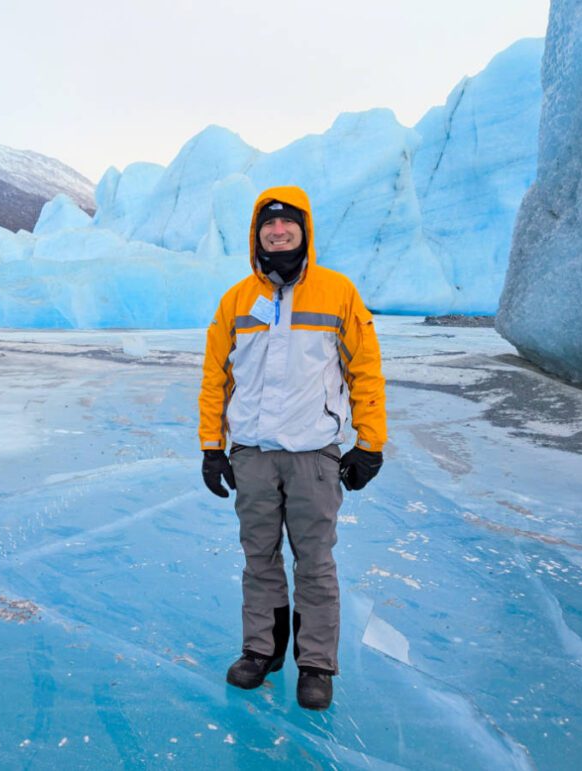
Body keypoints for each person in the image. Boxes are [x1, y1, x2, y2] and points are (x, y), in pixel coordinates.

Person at [197, 185, 387, 710]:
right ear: (256, 233)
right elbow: (216, 376)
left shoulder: (337, 292)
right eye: (267, 224)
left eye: (287, 224)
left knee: (315, 562)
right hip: (253, 454)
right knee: (259, 558)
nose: (277, 232)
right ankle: (261, 651)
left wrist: (369, 443)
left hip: (313, 455)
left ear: (304, 230)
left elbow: (364, 372)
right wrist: (213, 446)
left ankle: (316, 664)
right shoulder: (237, 299)